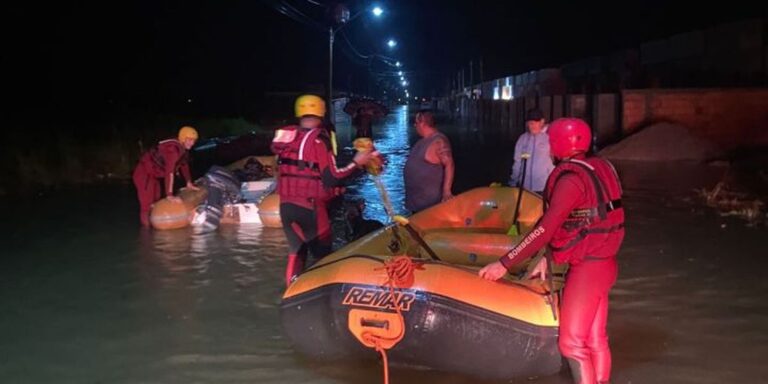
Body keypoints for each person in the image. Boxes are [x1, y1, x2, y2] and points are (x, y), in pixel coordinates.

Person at [479, 118, 625, 384]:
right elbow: (585, 221)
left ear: (558, 144)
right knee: (595, 339)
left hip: (588, 269)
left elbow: (546, 228)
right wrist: (552, 257)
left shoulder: (571, 179)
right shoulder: (602, 167)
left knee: (571, 344)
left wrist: (504, 263)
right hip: (606, 264)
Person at [271, 94, 375, 286]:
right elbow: (331, 177)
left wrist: (334, 193)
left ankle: (291, 292)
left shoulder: (287, 137)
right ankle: (321, 295)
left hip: (286, 206)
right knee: (322, 255)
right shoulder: (320, 140)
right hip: (310, 209)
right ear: (321, 113)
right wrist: (356, 162)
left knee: (296, 252)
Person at [132, 126, 200, 227]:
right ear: (182, 138)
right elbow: (170, 172)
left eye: (194, 140)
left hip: (154, 176)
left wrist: (188, 182)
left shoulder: (183, 150)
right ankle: (146, 233)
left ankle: (154, 228)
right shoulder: (172, 150)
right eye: (189, 140)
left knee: (156, 201)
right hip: (144, 174)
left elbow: (184, 165)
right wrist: (169, 194)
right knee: (147, 205)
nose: (192, 143)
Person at [404, 110, 455, 212]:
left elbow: (449, 164)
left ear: (422, 123)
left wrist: (446, 191)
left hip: (429, 205)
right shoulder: (422, 141)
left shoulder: (438, 141)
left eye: (416, 122)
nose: (415, 125)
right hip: (416, 204)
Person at [508, 108, 554, 194]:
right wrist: (513, 182)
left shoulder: (549, 139)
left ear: (542, 122)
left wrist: (553, 184)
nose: (532, 125)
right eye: (530, 123)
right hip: (525, 188)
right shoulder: (522, 139)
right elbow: (517, 162)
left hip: (543, 187)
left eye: (535, 122)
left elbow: (553, 163)